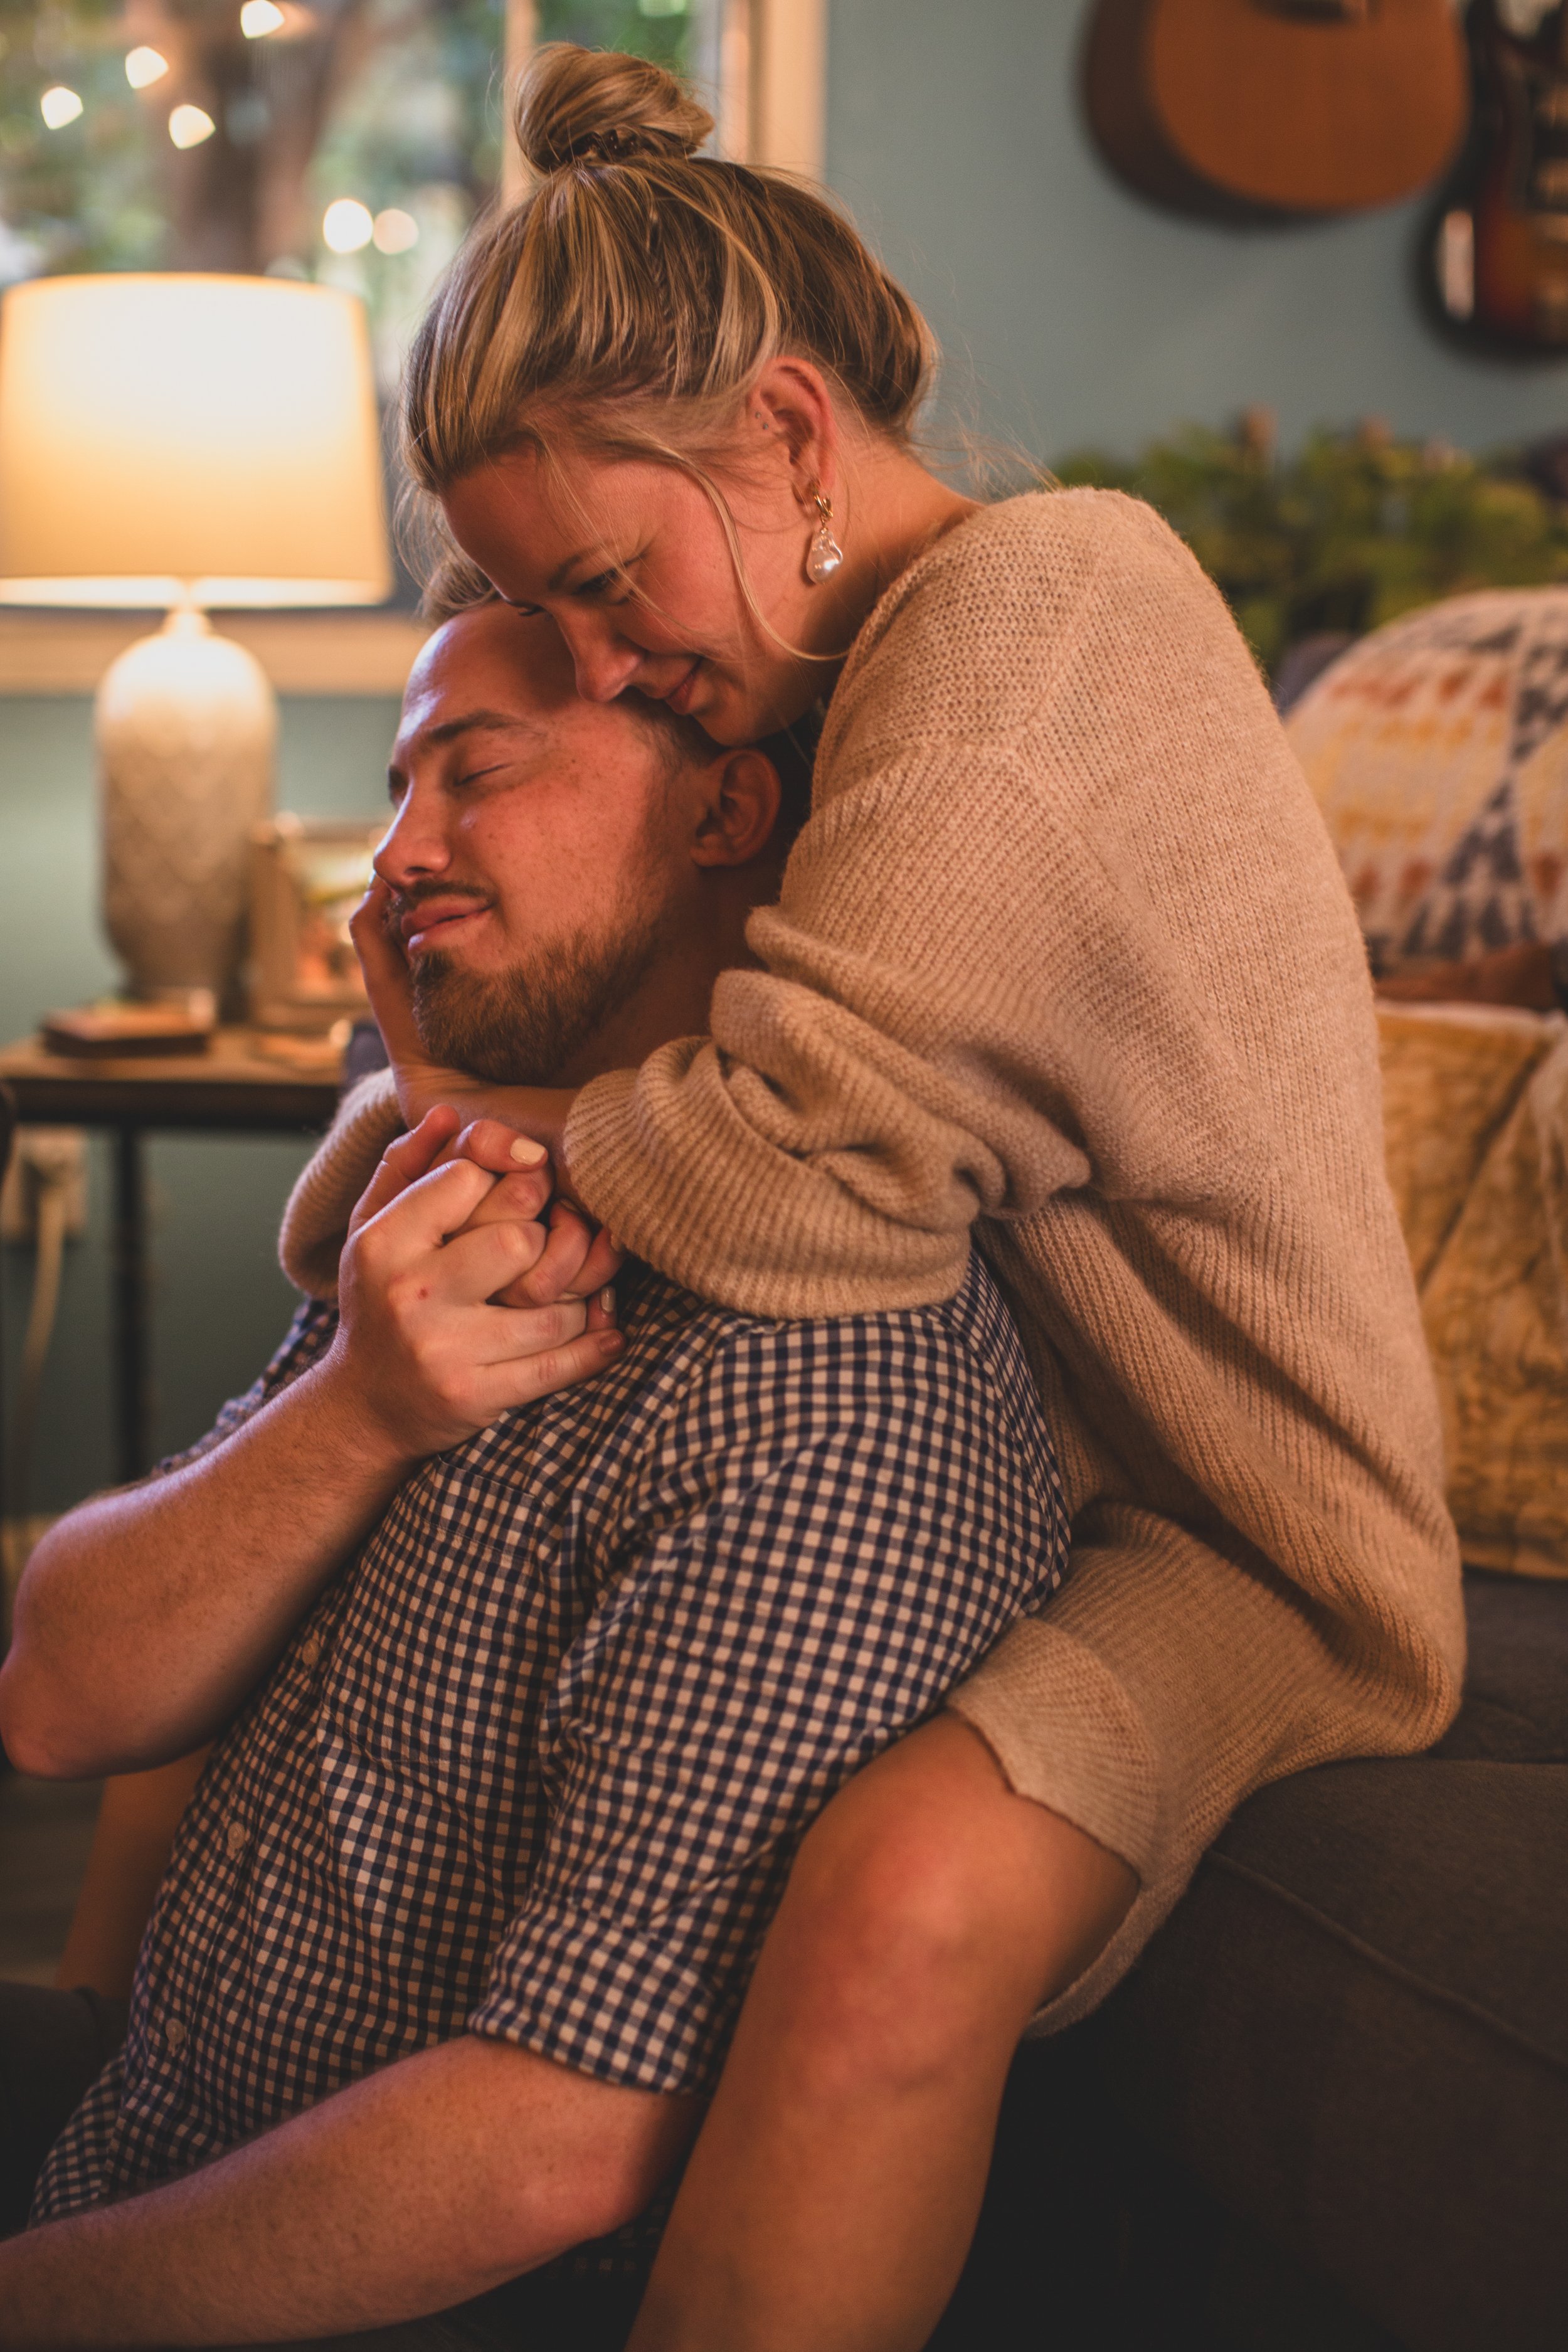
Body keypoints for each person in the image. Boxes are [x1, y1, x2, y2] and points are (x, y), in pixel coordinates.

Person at [277, 43, 1468, 2350]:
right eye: (559, 622)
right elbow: (612, 1061)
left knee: (899, 1895)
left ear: (797, 441)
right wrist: (403, 1125)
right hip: (983, 1442)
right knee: (332, 1522)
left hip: (1222, 1529)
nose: (609, 664)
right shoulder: (811, 682)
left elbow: (809, 1172)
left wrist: (407, 1146)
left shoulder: (1038, 634)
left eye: (611, 591)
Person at [0, 603, 1071, 2346]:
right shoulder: (466, 1184)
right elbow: (54, 1696)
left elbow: (547, 2145)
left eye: (474, 776)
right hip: (129, 2120)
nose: (400, 855)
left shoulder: (823, 1386)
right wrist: (358, 1403)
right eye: (399, 783)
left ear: (726, 815)